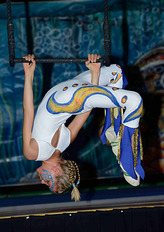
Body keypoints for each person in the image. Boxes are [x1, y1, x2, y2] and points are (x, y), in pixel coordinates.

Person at [22, 54, 145, 201]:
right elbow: (28, 111)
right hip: (73, 95)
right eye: (48, 182)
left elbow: (86, 109)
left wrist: (29, 73)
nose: (42, 180)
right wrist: (95, 73)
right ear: (56, 170)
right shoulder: (36, 152)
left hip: (73, 92)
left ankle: (113, 129)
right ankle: (127, 158)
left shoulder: (52, 147)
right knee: (118, 76)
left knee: (119, 79)